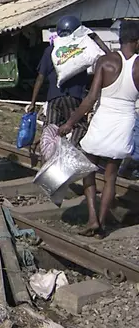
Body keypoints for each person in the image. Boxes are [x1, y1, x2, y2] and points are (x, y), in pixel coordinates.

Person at [59, 20, 139, 238]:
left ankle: (92, 218)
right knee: (111, 176)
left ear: (121, 39)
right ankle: (101, 225)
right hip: (124, 121)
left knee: (88, 169)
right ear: (137, 41)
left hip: (103, 119)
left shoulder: (106, 62)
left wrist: (69, 123)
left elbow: (90, 99)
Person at [27, 16, 109, 147]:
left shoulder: (51, 50)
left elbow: (40, 78)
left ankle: (48, 159)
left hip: (54, 99)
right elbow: (108, 56)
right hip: (74, 98)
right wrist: (94, 37)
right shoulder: (82, 50)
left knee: (50, 131)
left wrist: (32, 103)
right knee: (79, 126)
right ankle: (71, 150)